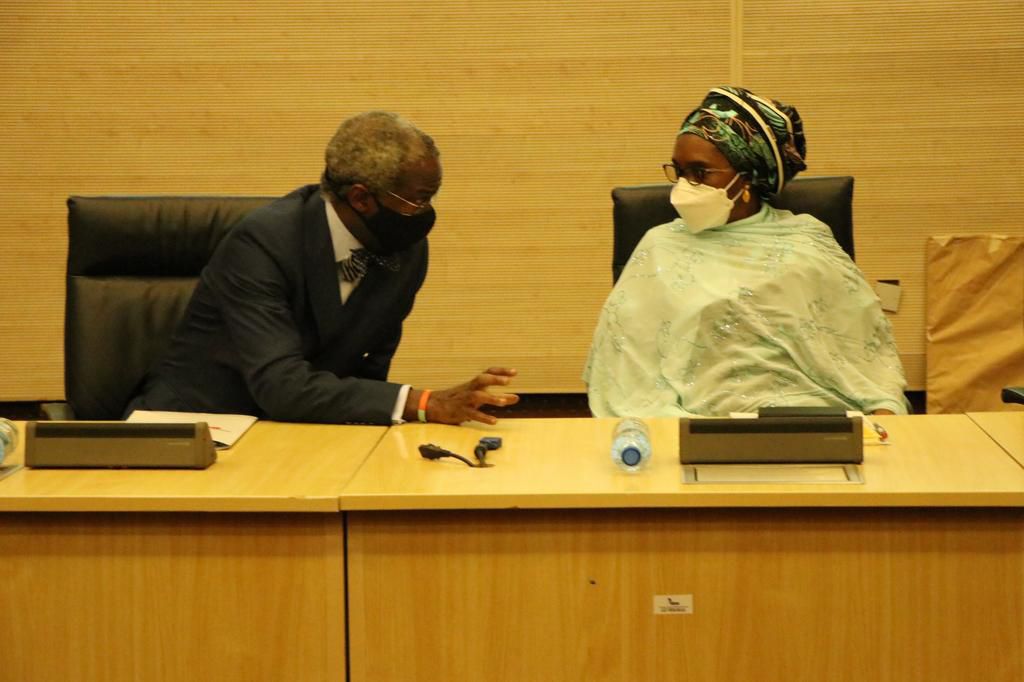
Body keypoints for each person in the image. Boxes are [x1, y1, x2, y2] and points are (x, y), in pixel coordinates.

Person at [127, 111, 518, 425]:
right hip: (197, 427)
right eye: (419, 199)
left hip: (300, 432)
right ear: (362, 198)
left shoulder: (406, 249)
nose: (426, 213)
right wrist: (422, 403)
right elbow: (281, 385)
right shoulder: (262, 243)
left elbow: (371, 365)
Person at [584, 86, 908, 417]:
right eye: (679, 172)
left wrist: (882, 420)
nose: (683, 186)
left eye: (700, 172)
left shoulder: (809, 242)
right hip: (696, 425)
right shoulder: (659, 245)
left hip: (814, 421)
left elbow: (866, 359)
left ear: (748, 178)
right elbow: (628, 365)